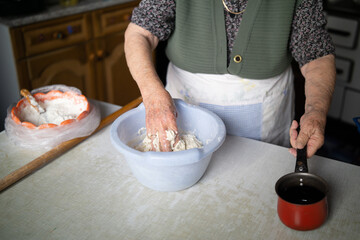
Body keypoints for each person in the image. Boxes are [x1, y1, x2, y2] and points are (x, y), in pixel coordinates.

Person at [124, 0, 336, 158]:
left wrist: (315, 111)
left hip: (267, 117)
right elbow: (139, 34)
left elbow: (316, 56)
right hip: (186, 111)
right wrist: (152, 94)